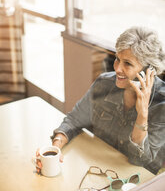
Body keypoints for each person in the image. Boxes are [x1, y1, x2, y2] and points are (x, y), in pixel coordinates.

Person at [40, 26, 165, 175]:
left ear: (148, 71)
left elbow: (141, 161)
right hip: (98, 170)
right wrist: (55, 149)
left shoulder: (161, 104)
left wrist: (142, 115)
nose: (117, 68)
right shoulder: (103, 84)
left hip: (137, 180)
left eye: (128, 64)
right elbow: (73, 121)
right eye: (118, 59)